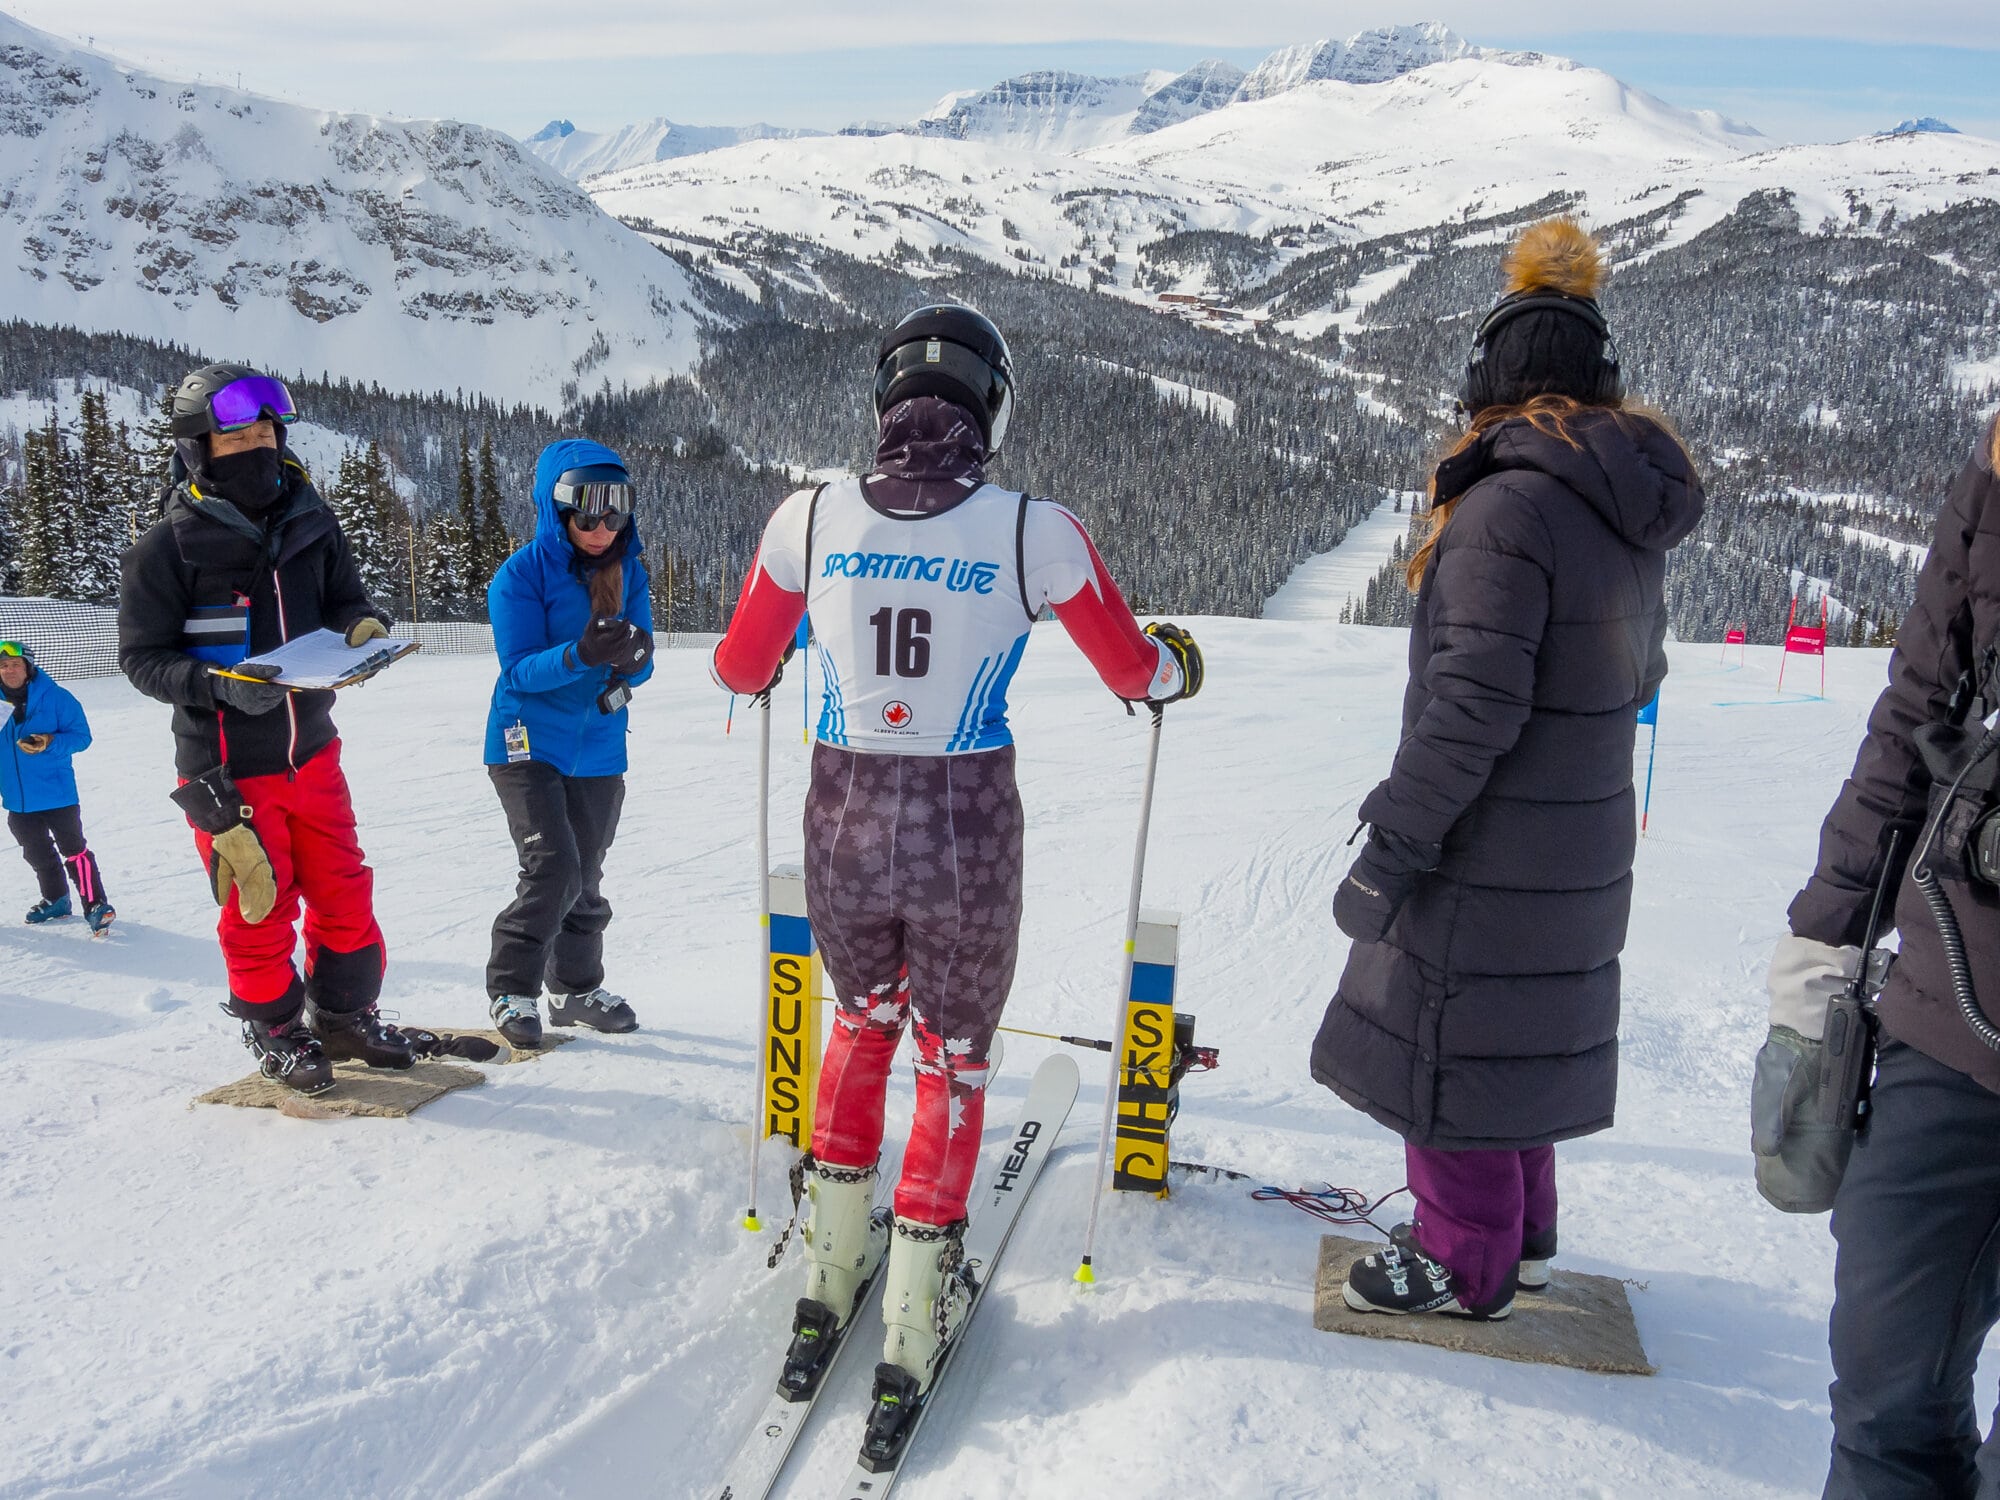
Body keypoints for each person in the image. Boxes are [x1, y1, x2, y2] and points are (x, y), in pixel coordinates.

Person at [710, 303, 1204, 1397]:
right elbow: (1134, 672)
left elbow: (739, 667)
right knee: (952, 1057)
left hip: (841, 825)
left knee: (862, 1023)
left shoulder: (807, 518)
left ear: (883, 401)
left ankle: (833, 1264)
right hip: (964, 835)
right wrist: (1175, 667)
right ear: (993, 404)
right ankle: (916, 1300)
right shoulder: (1036, 529)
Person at [1310, 219, 1703, 1320]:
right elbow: (1638, 668)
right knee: (1508, 1037)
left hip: (1490, 836)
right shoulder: (1608, 508)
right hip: (1571, 832)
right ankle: (1520, 1238)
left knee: (1447, 1045)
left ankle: (1462, 1263)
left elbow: (1471, 704)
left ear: (1487, 380)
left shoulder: (1501, 511)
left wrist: (1396, 840)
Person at [1759, 414, 2000, 1498]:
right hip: (1949, 1010)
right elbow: (1916, 711)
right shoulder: (1996, 476)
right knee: (1881, 1402)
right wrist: (1823, 941)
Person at [119, 362, 412, 1095]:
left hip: (312, 753)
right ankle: (276, 1029)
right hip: (227, 772)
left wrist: (361, 629)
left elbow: (344, 599)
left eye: (265, 431)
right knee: (259, 905)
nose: (256, 445)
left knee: (346, 891)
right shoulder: (168, 548)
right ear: (197, 449)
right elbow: (142, 660)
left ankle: (344, 1015)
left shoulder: (311, 518)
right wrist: (215, 687)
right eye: (236, 436)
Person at [482, 439, 654, 1049]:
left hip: (601, 747)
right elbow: (519, 672)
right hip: (525, 743)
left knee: (587, 871)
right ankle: (512, 988)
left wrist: (632, 660)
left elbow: (641, 664)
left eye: (616, 512)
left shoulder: (627, 571)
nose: (603, 528)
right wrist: (580, 653)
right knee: (553, 867)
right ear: (557, 510)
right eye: (587, 513)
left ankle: (575, 990)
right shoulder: (521, 575)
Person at [1, 641, 114, 932]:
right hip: (16, 799)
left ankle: (96, 905)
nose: (8, 670)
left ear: (28, 667)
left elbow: (81, 737)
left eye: (15, 664)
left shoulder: (57, 698)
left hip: (57, 794)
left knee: (74, 850)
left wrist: (50, 742)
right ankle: (56, 900)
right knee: (37, 853)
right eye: (3, 666)